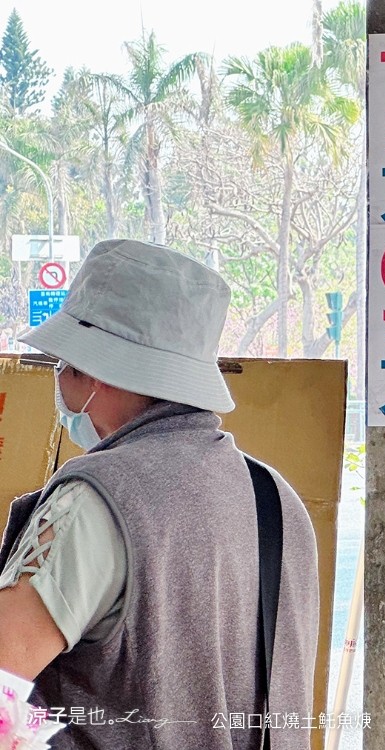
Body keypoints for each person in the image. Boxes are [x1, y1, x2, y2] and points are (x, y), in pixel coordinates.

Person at [0, 239, 320, 749]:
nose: (60, 383)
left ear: (96, 373)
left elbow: (4, 673)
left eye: (64, 366)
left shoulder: (94, 502)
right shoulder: (278, 501)